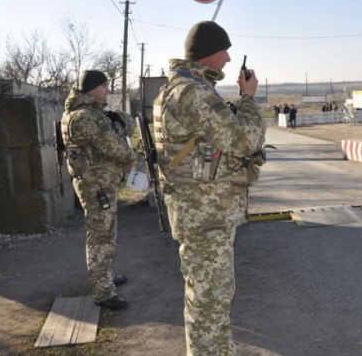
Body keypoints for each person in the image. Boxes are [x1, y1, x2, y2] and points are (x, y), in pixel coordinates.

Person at [152, 21, 266, 355]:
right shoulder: (193, 93)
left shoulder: (180, 88)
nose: (229, 59)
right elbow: (245, 140)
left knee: (207, 300)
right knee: (210, 303)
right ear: (208, 54)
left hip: (199, 211)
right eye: (224, 51)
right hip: (205, 216)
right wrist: (247, 98)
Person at [61, 70, 136, 310]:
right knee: (101, 236)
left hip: (100, 182)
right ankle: (103, 292)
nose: (107, 90)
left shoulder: (88, 113)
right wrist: (129, 156)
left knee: (106, 233)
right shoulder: (85, 116)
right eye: (104, 86)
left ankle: (105, 276)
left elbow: (125, 128)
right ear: (92, 88)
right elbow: (115, 145)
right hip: (96, 185)